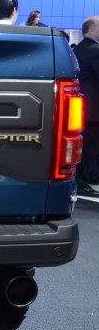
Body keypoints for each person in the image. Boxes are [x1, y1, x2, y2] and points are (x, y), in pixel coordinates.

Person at [72, 17, 99, 196]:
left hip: (83, 107)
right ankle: (86, 178)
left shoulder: (78, 48)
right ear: (91, 29)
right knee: (91, 146)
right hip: (93, 109)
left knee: (85, 145)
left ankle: (86, 177)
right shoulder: (94, 50)